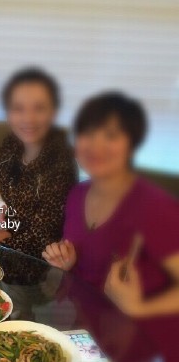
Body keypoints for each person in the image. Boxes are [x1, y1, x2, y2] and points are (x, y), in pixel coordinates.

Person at [43, 90, 179, 318]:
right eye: (86, 133)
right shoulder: (77, 193)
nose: (95, 146)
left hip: (129, 331)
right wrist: (65, 263)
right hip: (74, 321)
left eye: (111, 135)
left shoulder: (155, 206)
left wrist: (140, 308)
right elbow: (82, 264)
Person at [0, 67, 78, 256]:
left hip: (27, 266)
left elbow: (41, 240)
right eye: (18, 108)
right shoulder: (11, 144)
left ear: (53, 112)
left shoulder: (61, 166)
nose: (28, 118)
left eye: (39, 108)